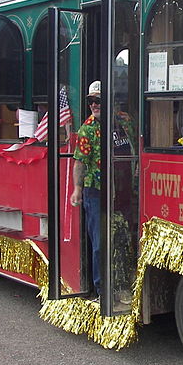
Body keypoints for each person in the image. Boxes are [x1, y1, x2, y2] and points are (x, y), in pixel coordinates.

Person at [70, 81, 104, 296]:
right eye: (91, 101)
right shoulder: (87, 129)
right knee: (99, 242)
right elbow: (80, 162)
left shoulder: (124, 122)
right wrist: (77, 188)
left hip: (122, 188)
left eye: (98, 100)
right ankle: (101, 289)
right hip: (95, 190)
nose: (94, 105)